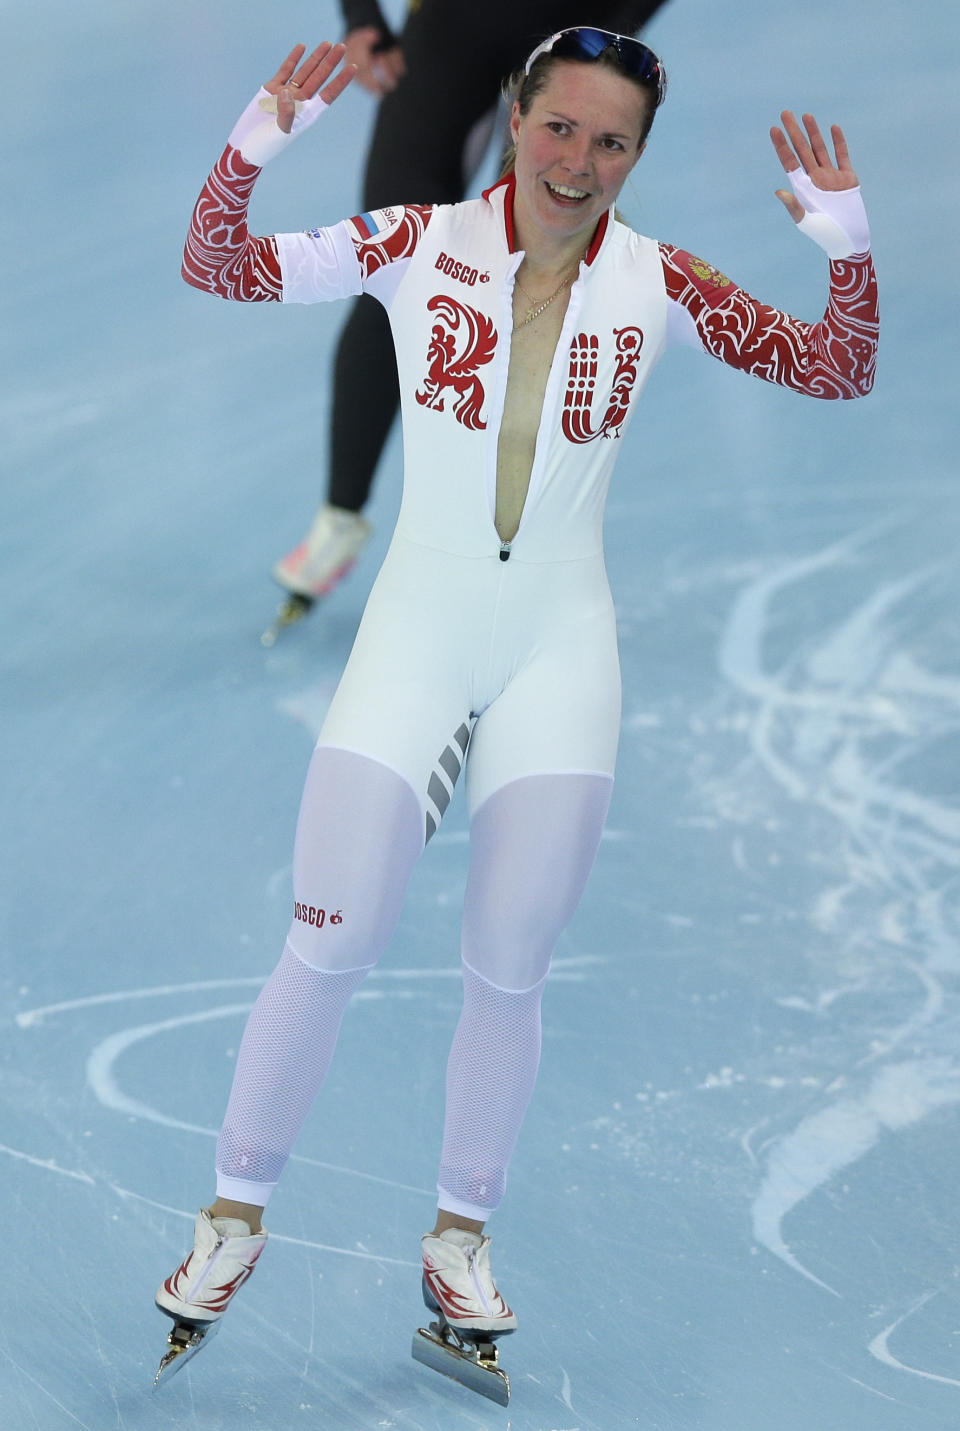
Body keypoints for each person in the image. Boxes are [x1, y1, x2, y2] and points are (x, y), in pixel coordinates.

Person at [156, 29, 878, 1381]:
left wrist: (846, 244)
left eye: (611, 143)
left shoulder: (664, 281)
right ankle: (233, 1216)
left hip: (561, 655)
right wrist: (254, 143)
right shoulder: (410, 241)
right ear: (513, 114)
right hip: (415, 642)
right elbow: (216, 263)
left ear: (638, 159)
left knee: (512, 959)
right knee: (333, 931)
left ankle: (460, 1239)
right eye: (560, 130)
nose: (578, 163)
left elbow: (836, 365)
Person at [268, 0, 671, 621]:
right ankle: (340, 513)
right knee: (388, 270)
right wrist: (361, 19)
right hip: (452, 29)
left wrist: (614, 32)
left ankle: (515, 535)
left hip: (575, 32)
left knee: (541, 284)